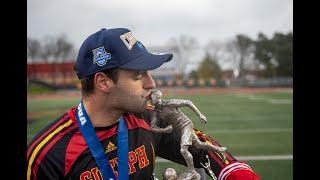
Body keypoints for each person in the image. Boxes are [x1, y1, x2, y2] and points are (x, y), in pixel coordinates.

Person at [27, 27, 260, 180]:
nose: (152, 83)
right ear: (103, 82)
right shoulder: (46, 155)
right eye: (138, 75)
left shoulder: (148, 118)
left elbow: (202, 147)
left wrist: (236, 172)